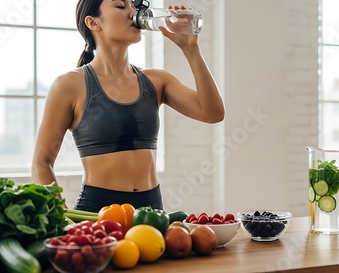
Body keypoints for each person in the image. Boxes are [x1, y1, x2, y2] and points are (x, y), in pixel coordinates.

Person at [31, 0, 225, 213]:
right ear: (93, 22)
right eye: (120, 6)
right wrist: (63, 219)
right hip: (97, 216)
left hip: (152, 215)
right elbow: (42, 163)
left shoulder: (157, 80)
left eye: (133, 6)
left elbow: (213, 112)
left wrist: (191, 48)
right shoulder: (68, 85)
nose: (132, 12)